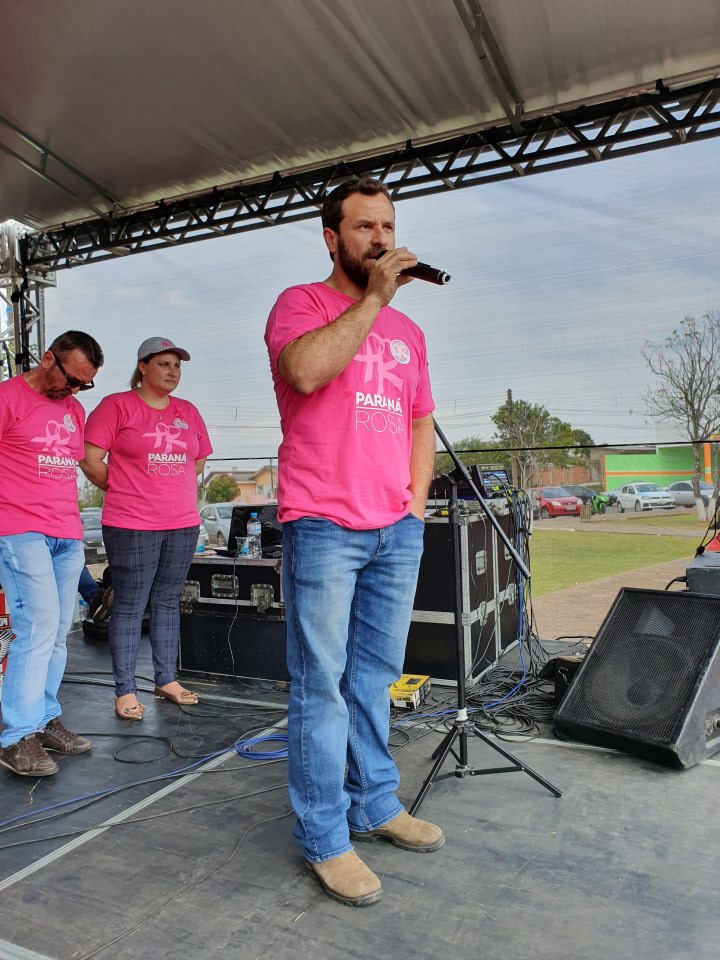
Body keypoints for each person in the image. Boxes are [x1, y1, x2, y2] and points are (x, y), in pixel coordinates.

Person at [265, 176, 441, 906]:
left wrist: (416, 508)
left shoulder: (411, 334)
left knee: (374, 679)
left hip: (392, 530)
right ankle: (324, 838)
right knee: (322, 689)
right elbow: (305, 370)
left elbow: (420, 422)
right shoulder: (301, 305)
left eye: (388, 226)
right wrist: (372, 300)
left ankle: (375, 801)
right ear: (333, 237)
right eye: (365, 227)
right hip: (324, 524)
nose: (381, 239)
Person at [80, 337, 212, 721]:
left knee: (168, 601)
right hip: (131, 523)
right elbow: (90, 459)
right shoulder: (116, 406)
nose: (173, 372)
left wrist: (169, 487)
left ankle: (166, 679)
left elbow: (199, 460)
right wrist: (124, 486)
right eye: (164, 364)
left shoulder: (187, 411)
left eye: (177, 366)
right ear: (142, 367)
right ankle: (125, 690)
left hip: (182, 523)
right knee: (129, 605)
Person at [0, 330, 104, 777]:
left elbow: (82, 465)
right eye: (72, 379)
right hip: (20, 529)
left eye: (85, 384)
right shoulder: (7, 398)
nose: (76, 390)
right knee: (35, 627)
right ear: (48, 360)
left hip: (66, 532)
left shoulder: (73, 410)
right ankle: (15, 737)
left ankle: (42, 720)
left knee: (60, 630)